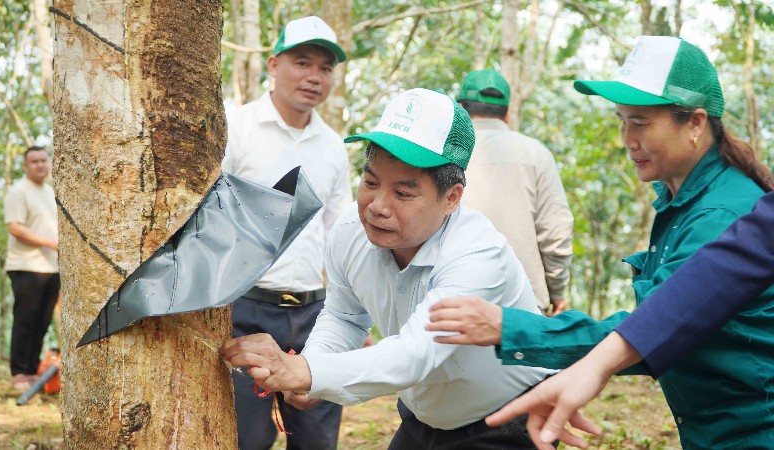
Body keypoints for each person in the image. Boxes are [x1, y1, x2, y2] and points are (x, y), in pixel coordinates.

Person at [426, 36, 774, 449]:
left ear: (695, 123)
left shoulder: (719, 214)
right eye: (622, 121)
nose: (628, 138)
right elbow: (660, 322)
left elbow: (657, 325)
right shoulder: (683, 200)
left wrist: (512, 328)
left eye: (640, 123)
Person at [221, 88, 557, 449]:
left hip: (507, 422)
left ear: (451, 197)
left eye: (403, 194)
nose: (377, 206)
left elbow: (415, 355)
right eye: (370, 182)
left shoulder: (476, 255)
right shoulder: (350, 232)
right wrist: (314, 368)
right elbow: (344, 316)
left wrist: (305, 371)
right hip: (422, 418)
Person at [221, 15, 352, 450]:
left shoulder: (333, 147)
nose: (314, 77)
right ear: (274, 65)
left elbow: (340, 234)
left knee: (317, 440)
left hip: (315, 316)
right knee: (245, 439)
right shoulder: (237, 128)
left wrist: (354, 312)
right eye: (302, 63)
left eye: (325, 68)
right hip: (246, 309)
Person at [457, 69, 573, 316]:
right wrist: (557, 292)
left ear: (460, 108)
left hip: (452, 304)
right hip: (523, 306)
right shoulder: (536, 154)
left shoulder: (442, 155)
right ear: (508, 114)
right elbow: (556, 232)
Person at [4, 145, 60, 391]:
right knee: (25, 320)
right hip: (26, 266)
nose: (40, 165)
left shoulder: (50, 191)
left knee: (42, 322)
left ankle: (31, 371)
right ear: (25, 166)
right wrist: (49, 243)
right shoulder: (18, 191)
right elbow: (15, 227)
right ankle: (19, 374)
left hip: (51, 267)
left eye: (43, 160)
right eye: (34, 161)